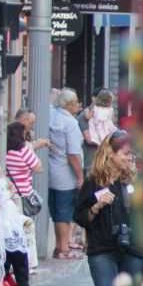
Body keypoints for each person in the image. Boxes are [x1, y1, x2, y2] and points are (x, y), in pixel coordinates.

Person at [77, 131, 143, 286]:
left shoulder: (136, 180)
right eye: (126, 154)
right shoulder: (94, 182)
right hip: (102, 249)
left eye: (131, 154)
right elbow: (80, 217)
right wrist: (96, 206)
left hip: (133, 249)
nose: (130, 158)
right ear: (110, 153)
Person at [48, 89, 88, 259]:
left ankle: (59, 246)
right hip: (66, 172)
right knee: (64, 213)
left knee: (56, 210)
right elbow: (73, 153)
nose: (78, 105)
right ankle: (63, 248)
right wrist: (80, 176)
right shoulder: (70, 123)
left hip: (52, 169)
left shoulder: (51, 115)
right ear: (69, 104)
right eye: (76, 102)